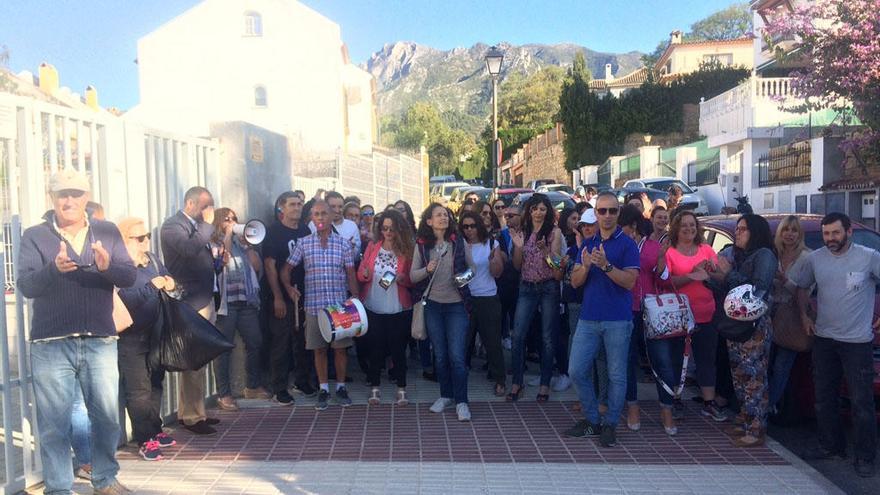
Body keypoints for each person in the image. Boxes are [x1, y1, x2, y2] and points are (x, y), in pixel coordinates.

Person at [17, 169, 136, 494]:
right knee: (54, 424)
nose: (69, 200)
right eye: (62, 194)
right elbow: (26, 285)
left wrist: (106, 266)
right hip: (51, 343)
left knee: (107, 417)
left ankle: (104, 479)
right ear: (51, 198)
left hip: (99, 340)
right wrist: (53, 270)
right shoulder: (34, 235)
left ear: (87, 197)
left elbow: (127, 276)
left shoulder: (106, 231)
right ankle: (58, 488)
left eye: (75, 193)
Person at [795, 212, 879, 478]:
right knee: (824, 399)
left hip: (857, 343)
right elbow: (800, 288)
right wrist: (805, 315)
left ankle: (865, 457)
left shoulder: (869, 257)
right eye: (826, 233)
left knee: (862, 403)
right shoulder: (815, 259)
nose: (830, 238)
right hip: (824, 340)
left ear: (849, 232)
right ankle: (831, 446)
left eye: (835, 233)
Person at [565, 192, 639, 447]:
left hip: (618, 319)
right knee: (576, 370)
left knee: (617, 375)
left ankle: (610, 425)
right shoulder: (587, 244)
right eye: (602, 211)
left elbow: (630, 282)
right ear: (595, 214)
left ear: (619, 214)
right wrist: (585, 267)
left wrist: (606, 266)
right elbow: (574, 282)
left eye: (613, 211)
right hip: (589, 318)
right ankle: (593, 420)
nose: (607, 216)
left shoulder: (628, 244)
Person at [282, 200, 360, 410]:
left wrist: (355, 298)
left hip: (338, 307)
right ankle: (324, 389)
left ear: (331, 216)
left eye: (324, 213)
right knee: (318, 350)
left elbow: (351, 273)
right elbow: (286, 269)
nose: (320, 218)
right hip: (314, 306)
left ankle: (341, 387)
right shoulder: (304, 243)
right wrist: (289, 289)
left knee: (340, 350)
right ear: (312, 218)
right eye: (316, 214)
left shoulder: (343, 244)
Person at [709, 214, 777, 448]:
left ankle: (756, 429)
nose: (737, 233)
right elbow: (730, 290)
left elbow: (757, 290)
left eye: (743, 229)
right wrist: (711, 277)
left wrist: (728, 273)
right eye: (737, 229)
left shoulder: (765, 256)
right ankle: (746, 420)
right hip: (736, 324)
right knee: (739, 376)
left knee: (754, 377)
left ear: (755, 232)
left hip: (754, 326)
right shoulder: (740, 256)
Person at [160, 186, 221, 435]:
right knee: (194, 358)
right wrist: (207, 226)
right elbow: (187, 250)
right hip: (190, 301)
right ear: (190, 204)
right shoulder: (173, 226)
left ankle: (193, 412)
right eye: (205, 206)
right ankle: (193, 417)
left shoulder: (195, 227)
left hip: (205, 298)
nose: (209, 211)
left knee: (200, 359)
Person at [115, 217, 178, 461]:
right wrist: (152, 286)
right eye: (139, 238)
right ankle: (144, 439)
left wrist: (169, 282)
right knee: (138, 389)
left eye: (147, 236)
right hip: (130, 336)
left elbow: (167, 277)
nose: (145, 241)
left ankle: (155, 429)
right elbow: (126, 300)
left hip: (156, 331)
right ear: (125, 240)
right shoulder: (120, 266)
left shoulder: (151, 259)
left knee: (155, 383)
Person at [658, 211, 726, 422]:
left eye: (692, 225)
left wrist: (711, 273)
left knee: (706, 359)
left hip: (706, 314)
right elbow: (666, 282)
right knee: (678, 360)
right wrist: (691, 275)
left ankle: (709, 402)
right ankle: (676, 399)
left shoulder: (706, 249)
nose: (689, 229)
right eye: (684, 225)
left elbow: (719, 277)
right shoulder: (669, 252)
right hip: (679, 315)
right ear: (677, 228)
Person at [410, 203, 472, 421]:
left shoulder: (459, 242)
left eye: (445, 215)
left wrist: (461, 280)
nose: (443, 218)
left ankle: (462, 401)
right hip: (433, 306)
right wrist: (426, 270)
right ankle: (445, 395)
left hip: (456, 305)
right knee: (441, 355)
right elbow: (412, 276)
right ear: (429, 221)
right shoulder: (421, 246)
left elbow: (472, 270)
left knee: (456, 355)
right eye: (438, 215)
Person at [210, 208, 269, 410]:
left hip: (246, 301)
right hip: (226, 304)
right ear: (218, 221)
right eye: (227, 219)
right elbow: (222, 260)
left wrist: (248, 246)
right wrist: (228, 233)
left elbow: (257, 266)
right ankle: (224, 393)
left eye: (234, 219)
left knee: (255, 342)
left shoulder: (240, 242)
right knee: (224, 348)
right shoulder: (214, 241)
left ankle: (252, 386)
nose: (232, 222)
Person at [508, 193, 563, 402]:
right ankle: (517, 382)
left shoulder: (554, 232)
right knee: (518, 334)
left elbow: (557, 267)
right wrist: (519, 247)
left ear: (547, 211)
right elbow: (516, 265)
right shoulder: (522, 232)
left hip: (548, 286)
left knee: (548, 337)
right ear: (528, 211)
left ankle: (545, 384)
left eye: (542, 208)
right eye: (534, 209)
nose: (538, 212)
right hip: (527, 286)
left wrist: (546, 251)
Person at [357, 209, 414, 406]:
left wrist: (402, 279)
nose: (388, 232)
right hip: (374, 304)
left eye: (392, 229)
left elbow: (412, 280)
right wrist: (365, 273)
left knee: (398, 349)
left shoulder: (406, 250)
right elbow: (360, 275)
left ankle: (401, 388)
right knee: (375, 349)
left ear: (399, 229)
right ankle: (375, 388)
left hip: (397, 306)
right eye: (384, 228)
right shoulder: (373, 247)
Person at [263, 192, 315, 404]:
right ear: (281, 208)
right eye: (292, 204)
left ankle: (302, 381)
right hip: (281, 296)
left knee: (303, 340)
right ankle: (279, 388)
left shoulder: (304, 229)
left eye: (299, 204)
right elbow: (269, 265)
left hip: (303, 294)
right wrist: (278, 296)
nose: (297, 207)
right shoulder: (274, 231)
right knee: (281, 342)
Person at [617, 204, 663, 432]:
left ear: (633, 226)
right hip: (627, 309)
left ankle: (667, 408)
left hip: (652, 309)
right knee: (628, 360)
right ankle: (632, 406)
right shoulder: (617, 245)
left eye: (621, 226)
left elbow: (662, 277)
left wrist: (664, 262)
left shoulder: (652, 246)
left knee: (659, 358)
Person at [459, 211, 506, 396]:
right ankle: (458, 379)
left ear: (479, 225)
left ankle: (500, 380)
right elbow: (458, 275)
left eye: (472, 225)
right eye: (465, 226)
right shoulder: (460, 246)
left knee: (492, 342)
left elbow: (497, 273)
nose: (469, 230)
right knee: (463, 342)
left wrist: (494, 260)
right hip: (466, 298)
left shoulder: (491, 244)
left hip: (488, 297)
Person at [768, 216, 810, 412]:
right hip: (769, 314)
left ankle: (768, 407)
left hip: (791, 316)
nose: (789, 234)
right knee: (765, 364)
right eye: (786, 230)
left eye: (794, 230)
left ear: (799, 234)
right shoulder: (772, 254)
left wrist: (785, 280)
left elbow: (807, 292)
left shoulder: (807, 257)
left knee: (782, 366)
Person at [497, 205, 523, 351]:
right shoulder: (503, 234)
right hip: (506, 285)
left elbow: (554, 263)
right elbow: (508, 261)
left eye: (511, 216)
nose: (507, 218)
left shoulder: (530, 234)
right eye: (506, 216)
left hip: (526, 285)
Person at [310, 191, 362, 255]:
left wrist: (352, 249)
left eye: (340, 207)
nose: (337, 210)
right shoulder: (313, 224)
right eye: (333, 206)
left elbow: (356, 257)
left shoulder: (352, 226)